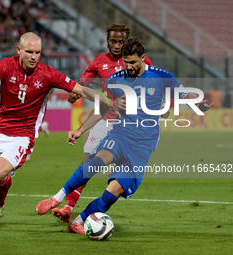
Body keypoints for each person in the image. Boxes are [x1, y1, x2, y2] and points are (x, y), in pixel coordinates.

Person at [36, 37, 212, 233]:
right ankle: (56, 198)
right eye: (126, 62)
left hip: (144, 144)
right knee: (94, 163)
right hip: (121, 134)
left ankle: (79, 220)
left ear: (143, 58)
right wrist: (82, 128)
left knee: (113, 192)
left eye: (133, 62)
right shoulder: (115, 79)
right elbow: (104, 107)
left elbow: (183, 96)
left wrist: (198, 105)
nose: (129, 66)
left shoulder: (162, 76)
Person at [0, 32, 103, 231]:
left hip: (21, 136)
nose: (34, 56)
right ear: (19, 51)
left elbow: (80, 89)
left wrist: (102, 99)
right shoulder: (5, 65)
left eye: (38, 52)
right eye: (29, 52)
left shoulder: (48, 74)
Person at [50, 24, 154, 223]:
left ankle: (95, 208)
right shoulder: (98, 63)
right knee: (87, 164)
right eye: (113, 41)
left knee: (118, 173)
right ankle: (68, 208)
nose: (116, 45)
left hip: (130, 127)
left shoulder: (140, 60)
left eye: (121, 42)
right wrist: (74, 93)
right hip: (104, 119)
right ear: (107, 41)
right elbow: (82, 84)